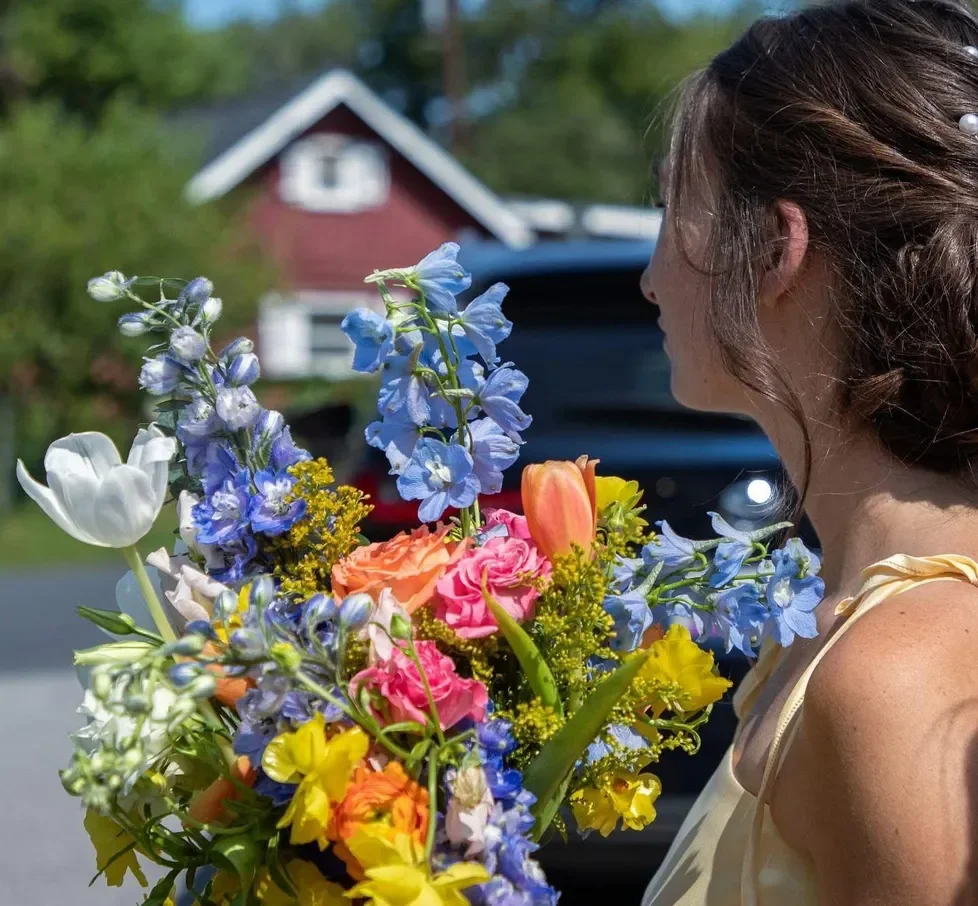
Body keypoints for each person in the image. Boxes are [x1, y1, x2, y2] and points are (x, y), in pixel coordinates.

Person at [639, 1, 978, 903]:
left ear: (777, 251)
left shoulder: (901, 671)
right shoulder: (851, 626)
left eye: (673, 211)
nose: (648, 277)